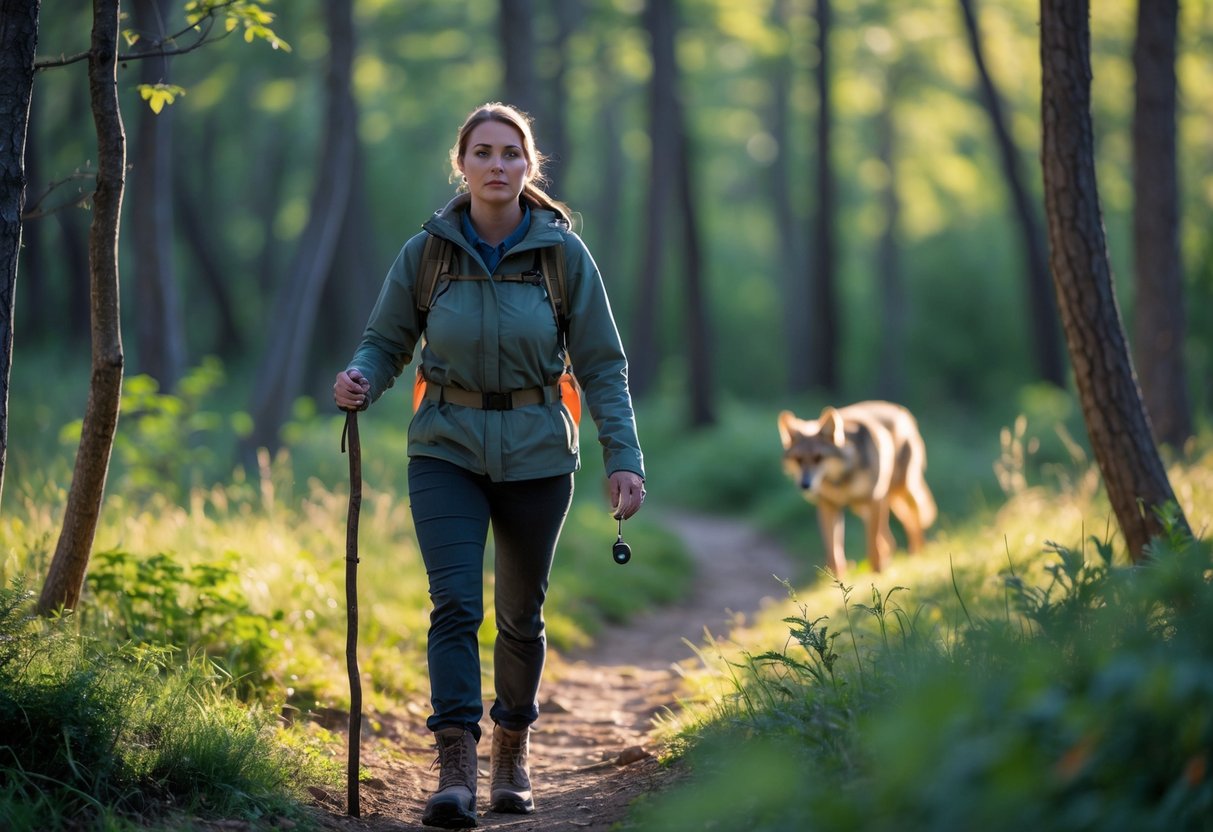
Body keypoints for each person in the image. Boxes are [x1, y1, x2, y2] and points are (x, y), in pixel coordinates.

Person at [333, 102, 645, 829]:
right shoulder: (427, 253)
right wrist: (358, 377)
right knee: (454, 606)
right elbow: (384, 341)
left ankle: (511, 750)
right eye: (483, 152)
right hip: (444, 446)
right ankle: (454, 767)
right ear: (461, 164)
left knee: (520, 617)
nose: (497, 165)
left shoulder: (563, 256)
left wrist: (622, 459)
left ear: (528, 167)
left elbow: (603, 367)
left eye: (511, 153)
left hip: (540, 452)